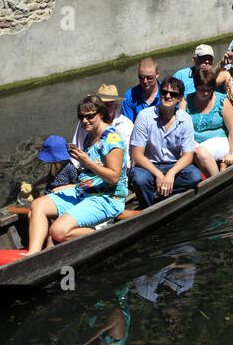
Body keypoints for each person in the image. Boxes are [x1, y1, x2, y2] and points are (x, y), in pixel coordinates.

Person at [26, 95, 128, 254]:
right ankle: (31, 256)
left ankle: (104, 236)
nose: (84, 121)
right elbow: (89, 175)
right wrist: (75, 184)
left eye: (89, 116)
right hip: (84, 192)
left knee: (57, 231)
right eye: (81, 117)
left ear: (101, 113)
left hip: (107, 197)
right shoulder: (90, 136)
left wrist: (87, 162)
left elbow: (114, 178)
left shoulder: (112, 139)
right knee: (37, 205)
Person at [128, 77, 202, 206]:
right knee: (139, 179)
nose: (168, 96)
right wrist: (158, 174)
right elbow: (137, 155)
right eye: (164, 92)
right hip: (149, 165)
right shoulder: (144, 116)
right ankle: (148, 207)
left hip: (173, 164)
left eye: (173, 94)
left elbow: (188, 156)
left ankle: (159, 197)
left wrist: (171, 174)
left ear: (179, 98)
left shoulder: (185, 119)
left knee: (194, 176)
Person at [185, 63, 233, 178]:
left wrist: (232, 153)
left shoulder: (221, 101)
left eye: (209, 90)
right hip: (194, 143)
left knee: (200, 152)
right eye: (202, 90)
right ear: (195, 86)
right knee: (191, 150)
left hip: (218, 140)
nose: (205, 93)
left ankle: (216, 179)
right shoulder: (186, 101)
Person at [70, 84, 134, 171]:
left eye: (108, 105)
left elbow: (127, 158)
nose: (104, 109)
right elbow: (77, 147)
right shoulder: (86, 122)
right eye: (101, 105)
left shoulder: (125, 125)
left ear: (116, 106)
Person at [120, 58, 160, 124]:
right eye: (141, 77)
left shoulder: (166, 93)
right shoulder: (130, 96)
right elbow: (128, 126)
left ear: (157, 74)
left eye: (149, 78)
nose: (145, 81)